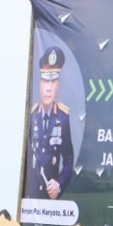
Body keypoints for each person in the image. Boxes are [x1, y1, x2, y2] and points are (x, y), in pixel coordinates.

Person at [26, 46, 73, 200]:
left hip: (51, 199)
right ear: (39, 84)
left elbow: (68, 161)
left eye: (53, 82)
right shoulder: (31, 116)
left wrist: (58, 184)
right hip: (30, 198)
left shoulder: (63, 118)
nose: (48, 88)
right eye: (45, 81)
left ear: (57, 85)